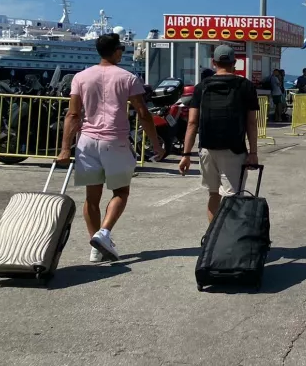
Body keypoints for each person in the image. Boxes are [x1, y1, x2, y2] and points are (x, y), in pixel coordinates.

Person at [57, 33, 164, 263]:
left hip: (87, 141)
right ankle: (104, 233)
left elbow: (73, 114)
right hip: (115, 141)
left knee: (91, 198)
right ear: (116, 51)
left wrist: (65, 148)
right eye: (121, 49)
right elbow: (144, 114)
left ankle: (95, 248)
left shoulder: (81, 77)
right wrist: (156, 145)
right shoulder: (128, 78)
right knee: (121, 192)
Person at [178, 45, 260, 221]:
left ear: (214, 63)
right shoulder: (246, 86)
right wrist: (253, 152)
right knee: (233, 198)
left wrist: (186, 154)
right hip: (234, 149)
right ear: (234, 63)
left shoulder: (201, 87)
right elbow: (251, 123)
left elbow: (192, 123)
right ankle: (227, 236)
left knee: (213, 194)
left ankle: (212, 234)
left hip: (207, 148)